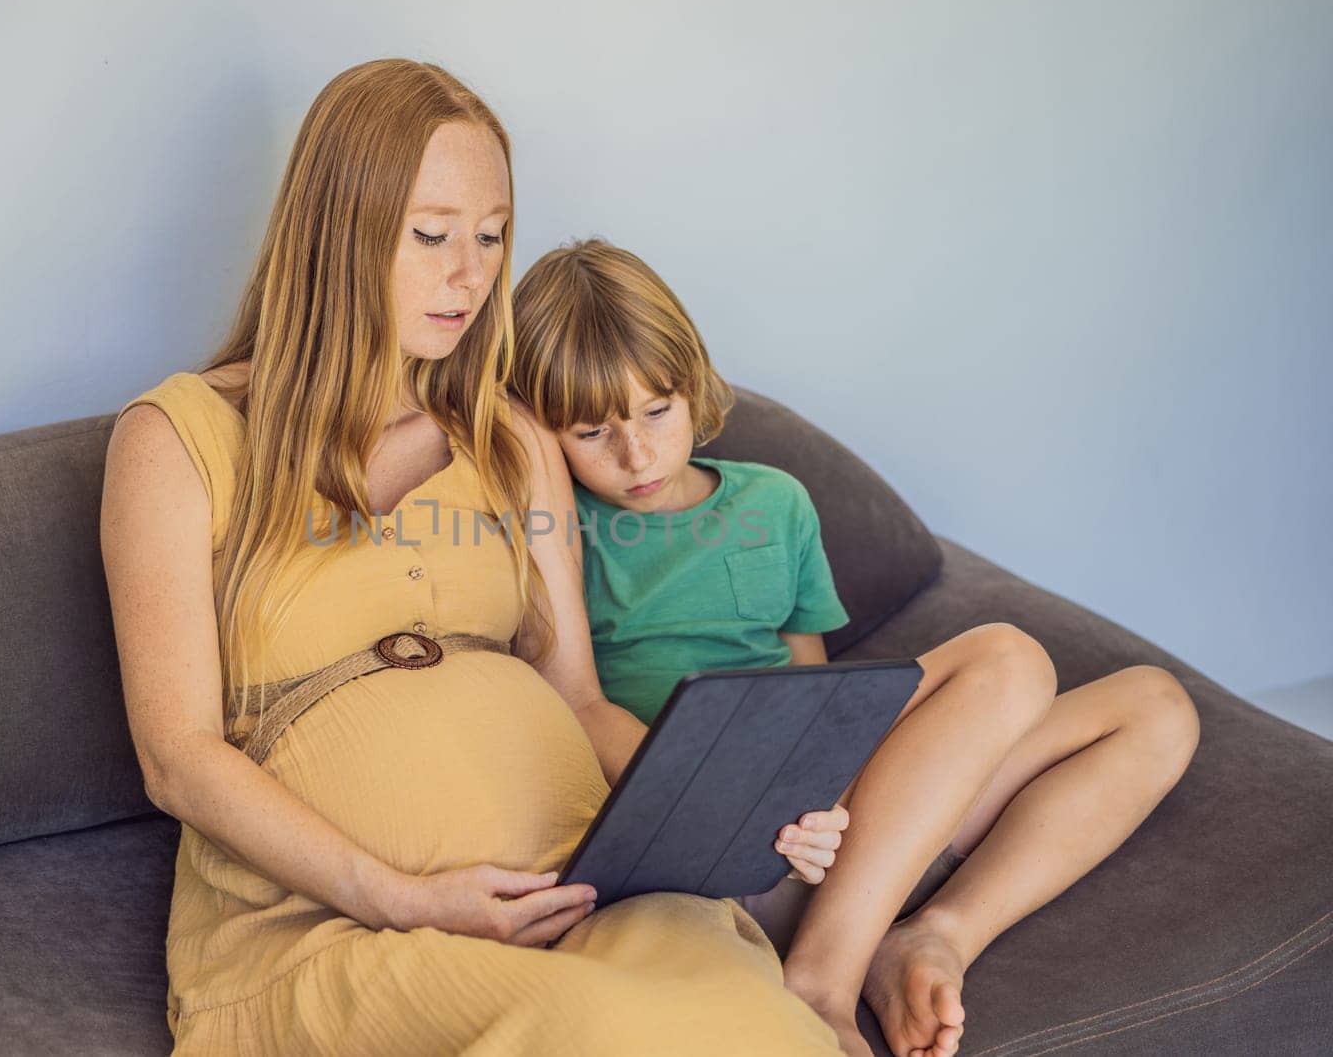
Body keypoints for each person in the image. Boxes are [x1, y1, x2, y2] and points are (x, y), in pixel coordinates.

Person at [99, 60, 847, 1055]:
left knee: (765, 1023)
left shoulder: (510, 436)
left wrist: (740, 803)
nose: (471, 273)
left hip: (585, 883)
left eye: (492, 235)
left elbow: (577, 695)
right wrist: (403, 893)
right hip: (334, 926)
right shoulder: (177, 437)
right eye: (432, 234)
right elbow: (177, 757)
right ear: (339, 227)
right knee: (600, 1026)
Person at [507, 238, 1203, 1057]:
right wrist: (743, 801)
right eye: (592, 432)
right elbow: (574, 703)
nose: (636, 455)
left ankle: (932, 934)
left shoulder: (778, 502)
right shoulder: (564, 531)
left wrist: (818, 799)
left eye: (656, 412)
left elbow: (816, 684)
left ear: (691, 384)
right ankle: (821, 979)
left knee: (1141, 701)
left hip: (833, 821)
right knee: (1013, 664)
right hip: (708, 834)